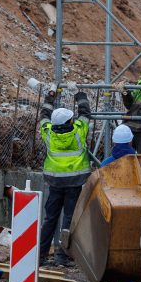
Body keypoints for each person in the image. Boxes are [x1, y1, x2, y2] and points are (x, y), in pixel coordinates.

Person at [38, 81, 91, 266]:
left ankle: (41, 256)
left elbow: (43, 115)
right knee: (69, 219)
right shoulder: (78, 131)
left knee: (50, 218)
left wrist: (51, 95)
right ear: (69, 121)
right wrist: (78, 93)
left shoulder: (48, 133)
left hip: (54, 182)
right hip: (74, 182)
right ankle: (62, 256)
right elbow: (85, 113)